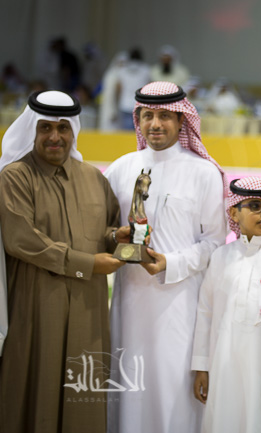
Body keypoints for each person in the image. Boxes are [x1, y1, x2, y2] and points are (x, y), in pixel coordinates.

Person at [0, 90, 128, 433]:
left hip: (88, 310)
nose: (54, 136)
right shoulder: (15, 176)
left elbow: (106, 230)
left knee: (82, 396)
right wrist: (88, 264)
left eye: (62, 128)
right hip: (37, 304)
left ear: (74, 131)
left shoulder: (94, 178)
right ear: (32, 130)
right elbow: (21, 239)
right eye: (45, 128)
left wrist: (118, 237)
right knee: (34, 389)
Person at [104, 81, 228, 433]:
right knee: (129, 386)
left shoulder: (203, 172)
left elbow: (214, 243)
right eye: (147, 116)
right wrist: (115, 238)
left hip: (181, 303)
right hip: (128, 300)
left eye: (164, 116)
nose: (155, 124)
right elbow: (102, 231)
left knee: (173, 390)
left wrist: (170, 264)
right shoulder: (120, 169)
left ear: (181, 120)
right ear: (138, 120)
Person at [192, 176, 261, 433]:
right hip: (222, 363)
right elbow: (205, 314)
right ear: (234, 212)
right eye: (255, 206)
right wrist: (201, 367)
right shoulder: (221, 256)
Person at [115, 48, 150, 130]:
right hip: (140, 104)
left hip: (125, 104)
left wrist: (117, 102)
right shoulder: (146, 70)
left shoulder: (122, 70)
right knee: (140, 130)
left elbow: (118, 89)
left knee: (126, 132)